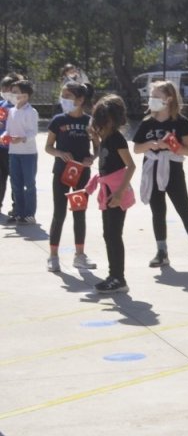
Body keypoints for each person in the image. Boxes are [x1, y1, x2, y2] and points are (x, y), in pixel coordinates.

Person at [133, 81, 188, 269]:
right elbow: (137, 148)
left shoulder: (180, 122)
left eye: (156, 96)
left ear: (168, 98)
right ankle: (161, 252)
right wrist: (151, 145)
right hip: (152, 169)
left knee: (184, 209)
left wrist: (171, 145)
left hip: (173, 170)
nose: (152, 100)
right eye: (151, 96)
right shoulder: (147, 122)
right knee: (158, 211)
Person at [44, 81, 96, 272]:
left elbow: (97, 147)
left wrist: (92, 158)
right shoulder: (58, 120)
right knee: (59, 213)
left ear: (80, 99)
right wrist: (60, 153)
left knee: (79, 213)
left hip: (82, 174)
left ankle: (80, 255)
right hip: (61, 173)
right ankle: (53, 256)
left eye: (68, 96)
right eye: (62, 96)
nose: (63, 99)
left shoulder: (90, 121)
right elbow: (48, 147)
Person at [88, 94, 136, 294]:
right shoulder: (106, 138)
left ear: (110, 120)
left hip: (116, 193)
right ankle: (113, 276)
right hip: (107, 192)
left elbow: (131, 166)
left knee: (114, 235)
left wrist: (119, 193)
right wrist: (95, 140)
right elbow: (102, 160)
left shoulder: (116, 138)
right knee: (109, 234)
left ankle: (118, 278)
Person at [5, 79, 40, 225]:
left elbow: (33, 132)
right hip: (14, 152)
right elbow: (8, 130)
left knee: (29, 184)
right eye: (12, 92)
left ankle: (29, 213)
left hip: (28, 153)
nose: (12, 95)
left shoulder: (31, 112)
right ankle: (18, 212)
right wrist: (5, 137)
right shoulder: (11, 111)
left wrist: (22, 138)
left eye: (15, 92)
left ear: (25, 95)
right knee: (16, 183)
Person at [0, 74, 17, 219]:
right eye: (3, 88)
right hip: (1, 148)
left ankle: (17, 207)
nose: (5, 91)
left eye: (8, 88)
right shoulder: (2, 105)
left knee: (15, 179)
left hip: (14, 149)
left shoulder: (18, 106)